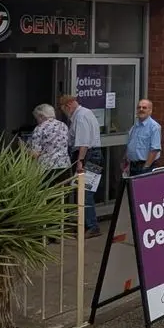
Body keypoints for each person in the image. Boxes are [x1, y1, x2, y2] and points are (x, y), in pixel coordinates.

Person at [59, 94, 103, 237]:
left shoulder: (80, 116)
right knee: (84, 192)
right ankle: (84, 224)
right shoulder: (86, 113)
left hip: (88, 156)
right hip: (93, 155)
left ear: (68, 105)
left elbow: (83, 142)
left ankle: (92, 226)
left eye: (64, 109)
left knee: (85, 193)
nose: (65, 113)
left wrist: (80, 162)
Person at [26, 103, 71, 185]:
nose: (37, 121)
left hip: (47, 167)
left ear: (41, 116)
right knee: (62, 194)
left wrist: (24, 148)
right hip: (64, 165)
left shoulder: (40, 128)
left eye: (37, 118)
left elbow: (35, 154)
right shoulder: (64, 126)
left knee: (48, 195)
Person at [125, 99, 162, 176]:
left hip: (145, 167)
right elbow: (130, 145)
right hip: (133, 166)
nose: (141, 109)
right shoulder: (134, 127)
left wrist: (146, 167)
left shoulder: (154, 127)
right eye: (139, 107)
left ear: (150, 111)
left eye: (144, 108)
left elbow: (154, 149)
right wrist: (125, 161)